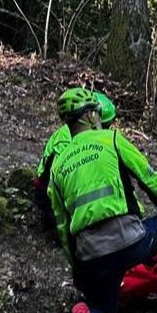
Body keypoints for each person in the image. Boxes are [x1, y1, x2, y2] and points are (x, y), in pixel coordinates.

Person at [47, 88, 157, 313]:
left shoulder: (59, 164)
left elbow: (62, 225)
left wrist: (77, 267)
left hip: (90, 256)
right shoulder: (112, 139)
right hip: (127, 243)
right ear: (89, 115)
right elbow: (149, 177)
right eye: (95, 111)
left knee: (107, 309)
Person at [32, 91, 116, 236]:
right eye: (105, 125)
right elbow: (58, 180)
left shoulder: (87, 135)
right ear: (91, 117)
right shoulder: (66, 139)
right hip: (49, 193)